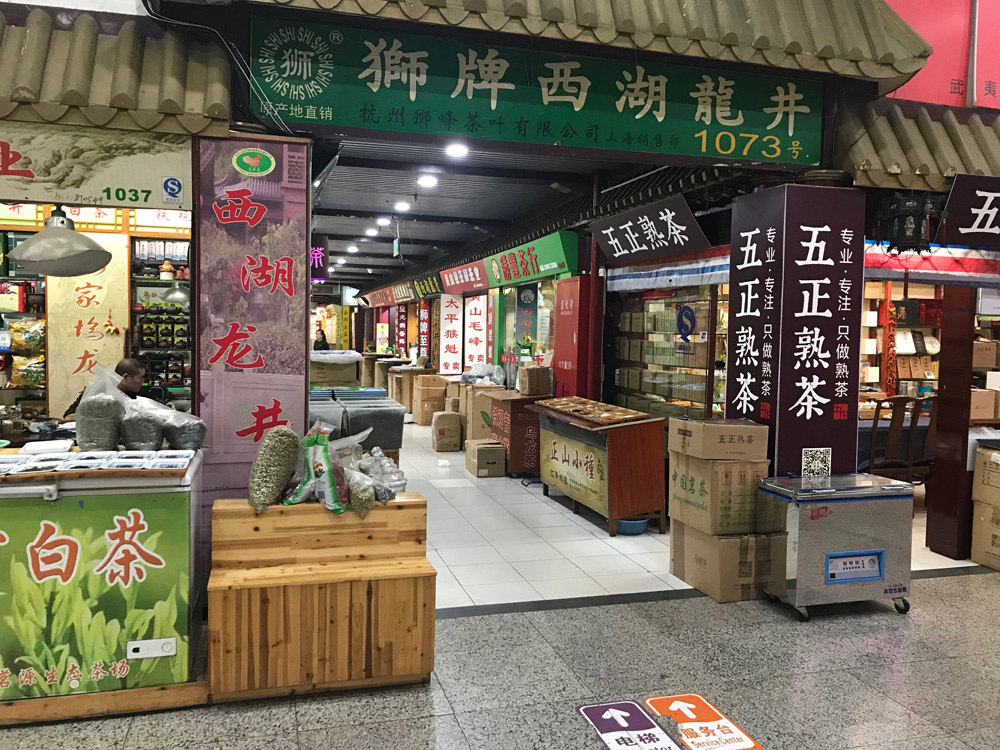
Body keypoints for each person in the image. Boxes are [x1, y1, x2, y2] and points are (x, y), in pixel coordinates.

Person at [63, 358, 146, 421]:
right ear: (125, 377)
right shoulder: (97, 391)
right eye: (140, 378)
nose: (143, 381)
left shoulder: (136, 395)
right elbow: (68, 417)